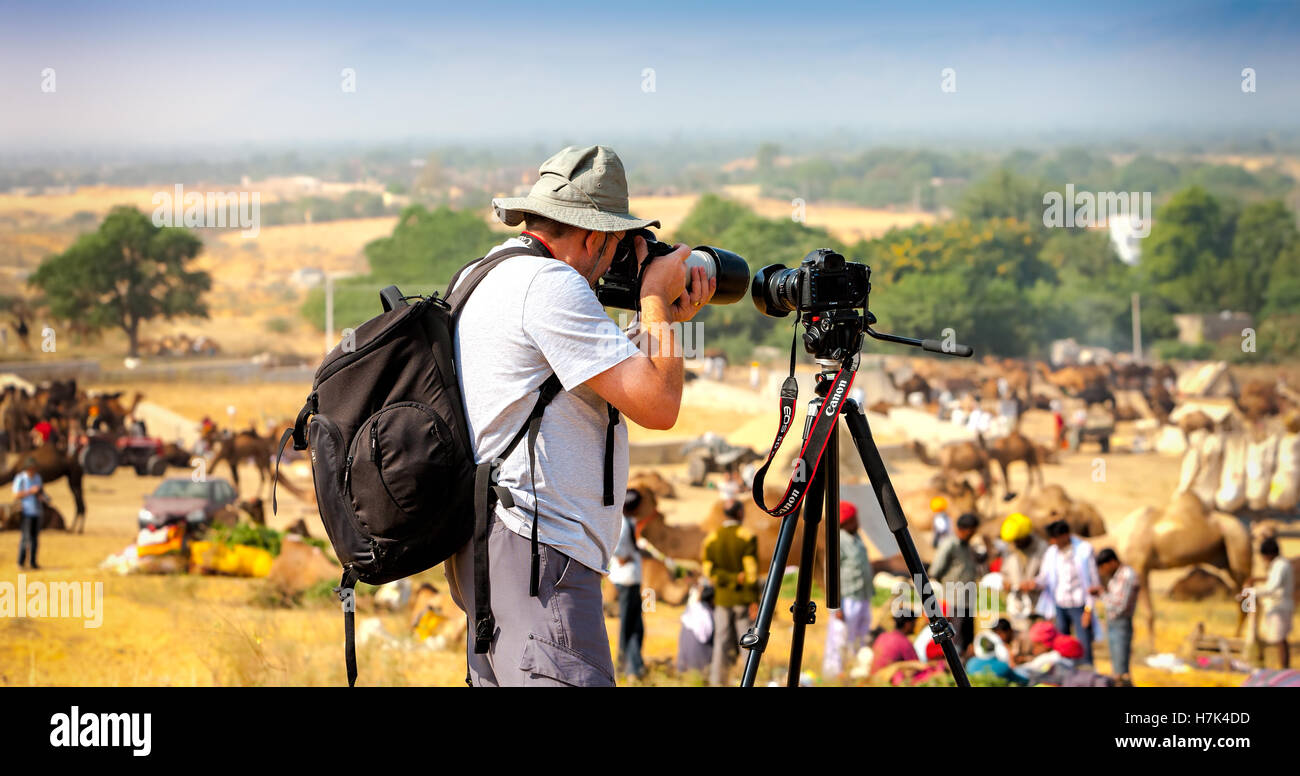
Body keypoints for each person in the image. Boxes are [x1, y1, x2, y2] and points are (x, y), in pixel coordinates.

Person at [444, 145, 716, 687]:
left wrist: (656, 319)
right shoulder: (551, 287)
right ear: (594, 236)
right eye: (617, 245)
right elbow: (659, 406)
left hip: (491, 548)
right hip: (541, 557)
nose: (616, 260)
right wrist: (656, 299)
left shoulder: (487, 274)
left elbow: (596, 379)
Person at [702, 500, 759, 686]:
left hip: (722, 599)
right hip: (743, 599)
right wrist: (753, 599)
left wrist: (726, 579)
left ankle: (718, 681)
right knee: (748, 642)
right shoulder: (747, 537)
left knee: (721, 641)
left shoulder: (712, 538)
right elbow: (751, 575)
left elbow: (709, 572)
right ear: (740, 514)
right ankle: (748, 679)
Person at [1028, 519, 1100, 666]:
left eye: (1055, 538)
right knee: (1062, 646)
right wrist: (1034, 583)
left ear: (1065, 535)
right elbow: (1044, 578)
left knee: (1083, 644)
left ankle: (1086, 675)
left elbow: (1093, 583)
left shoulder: (1084, 550)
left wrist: (1088, 610)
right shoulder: (1051, 553)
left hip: (1080, 606)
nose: (1053, 542)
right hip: (1060, 605)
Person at [823, 502, 873, 679]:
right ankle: (835, 675)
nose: (857, 522)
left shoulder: (856, 538)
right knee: (840, 638)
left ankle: (854, 673)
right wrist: (836, 606)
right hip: (846, 599)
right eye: (854, 519)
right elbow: (830, 573)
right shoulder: (838, 540)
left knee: (860, 636)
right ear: (847, 521)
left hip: (862, 595)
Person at [929, 512, 981, 654]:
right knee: (955, 637)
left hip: (967, 600)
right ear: (964, 529)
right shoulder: (949, 545)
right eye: (972, 531)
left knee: (967, 638)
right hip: (954, 600)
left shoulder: (968, 547)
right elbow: (935, 571)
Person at [609, 489, 645, 681]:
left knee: (635, 626)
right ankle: (623, 666)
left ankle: (634, 667)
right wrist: (635, 554)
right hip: (626, 579)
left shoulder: (627, 522)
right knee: (629, 626)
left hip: (630, 579)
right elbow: (620, 555)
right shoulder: (623, 524)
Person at [1094, 547, 1139, 681]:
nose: (1103, 571)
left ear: (1112, 562)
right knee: (1117, 668)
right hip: (1114, 622)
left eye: (1103, 567)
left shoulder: (1127, 575)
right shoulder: (1116, 576)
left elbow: (1120, 606)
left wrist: (1102, 594)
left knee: (1121, 670)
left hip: (1121, 623)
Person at [999, 512, 1046, 631]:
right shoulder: (1010, 550)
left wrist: (1034, 584)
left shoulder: (1042, 549)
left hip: (1039, 605)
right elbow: (1004, 572)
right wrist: (1006, 582)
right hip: (1018, 605)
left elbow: (1049, 576)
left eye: (1018, 540)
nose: (1016, 543)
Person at [1253, 537, 1294, 668]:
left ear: (1269, 554)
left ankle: (1283, 669)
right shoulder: (1280, 564)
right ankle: (1283, 667)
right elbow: (1273, 580)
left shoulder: (1280, 565)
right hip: (1281, 605)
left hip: (1279, 606)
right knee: (1281, 639)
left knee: (1279, 639)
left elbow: (1272, 586)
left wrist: (1252, 592)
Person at [13, 457, 44, 569]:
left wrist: (41, 497)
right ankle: (20, 562)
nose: (33, 470)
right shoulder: (21, 478)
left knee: (35, 539)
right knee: (25, 538)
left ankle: (33, 562)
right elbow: (16, 495)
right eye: (31, 468)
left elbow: (40, 492)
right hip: (26, 511)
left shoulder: (38, 478)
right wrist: (30, 491)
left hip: (37, 511)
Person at [871, 609, 920, 679]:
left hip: (874, 679)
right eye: (914, 623)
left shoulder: (883, 636)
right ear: (908, 624)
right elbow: (918, 667)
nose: (915, 626)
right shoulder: (904, 642)